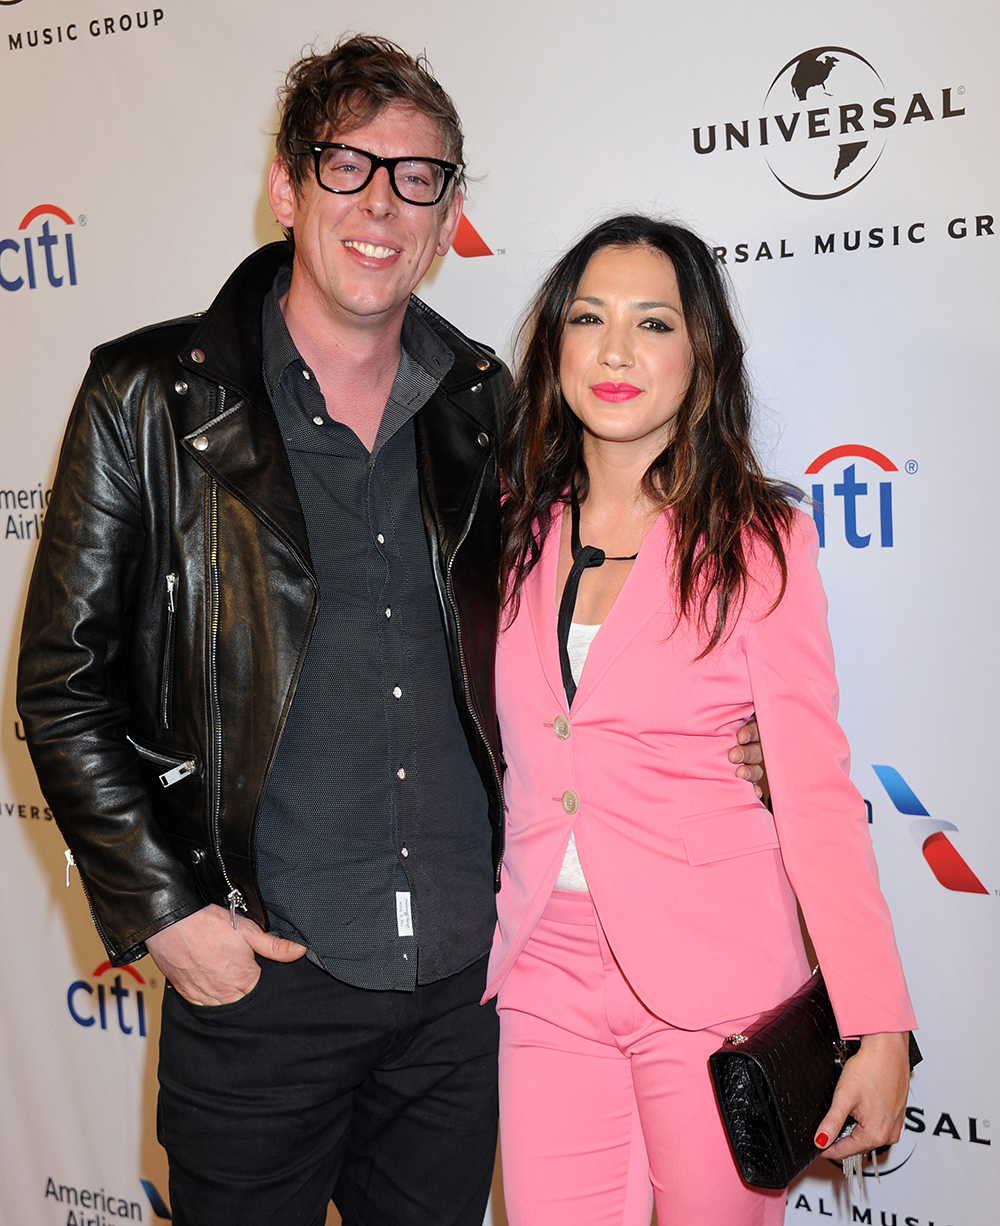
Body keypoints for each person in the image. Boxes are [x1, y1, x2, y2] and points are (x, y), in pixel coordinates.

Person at [16, 41, 768, 1226]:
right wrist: (167, 912)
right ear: (286, 186)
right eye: (347, 165)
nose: (381, 204)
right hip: (260, 986)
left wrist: (738, 740)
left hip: (465, 1000)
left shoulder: (491, 408)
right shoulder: (150, 395)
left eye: (417, 177)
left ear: (449, 209)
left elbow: (607, 606)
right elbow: (62, 683)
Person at [486, 215, 916, 1226]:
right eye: (589, 317)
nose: (618, 349)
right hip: (542, 968)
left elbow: (812, 792)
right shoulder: (508, 528)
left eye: (653, 321)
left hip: (715, 984)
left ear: (701, 353)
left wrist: (878, 1022)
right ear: (555, 346)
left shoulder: (758, 538)